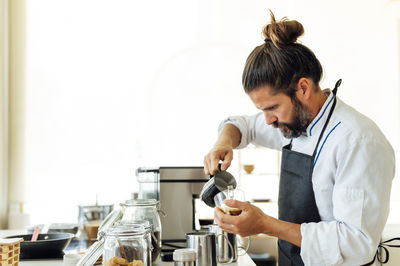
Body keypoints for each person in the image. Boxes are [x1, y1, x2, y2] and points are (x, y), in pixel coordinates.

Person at [203, 11, 395, 266]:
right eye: (263, 111)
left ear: (302, 88)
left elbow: (357, 243)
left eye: (272, 108)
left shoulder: (358, 141)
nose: (268, 120)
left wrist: (264, 224)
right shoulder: (295, 121)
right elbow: (243, 126)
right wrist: (224, 142)